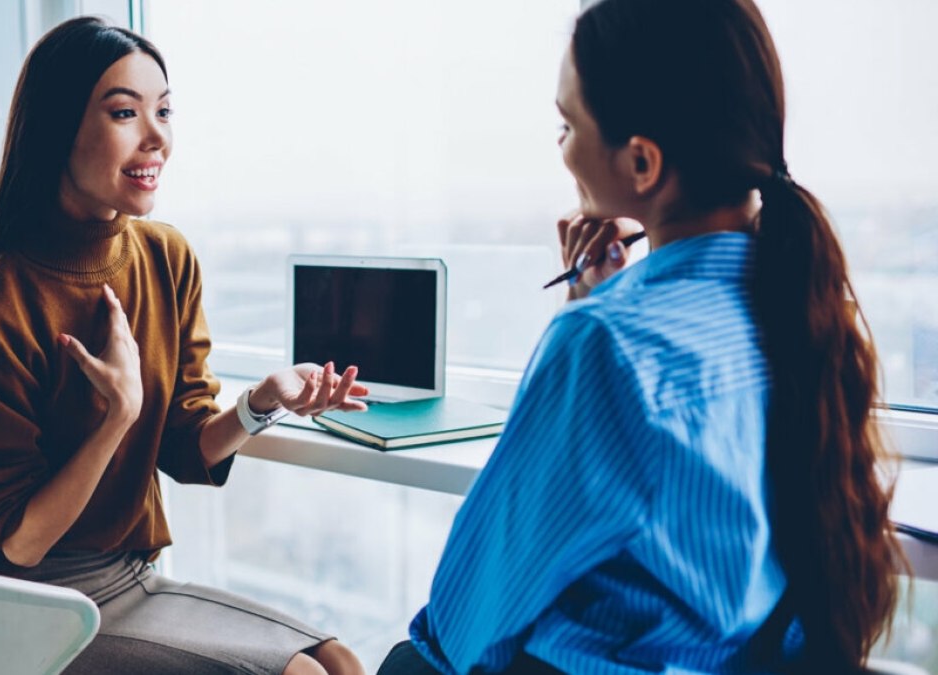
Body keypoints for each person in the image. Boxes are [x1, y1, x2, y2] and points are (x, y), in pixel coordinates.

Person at [378, 0, 903, 673]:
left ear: (643, 162)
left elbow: (463, 618)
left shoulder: (607, 346)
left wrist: (587, 315)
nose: (561, 148)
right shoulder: (802, 304)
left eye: (567, 125)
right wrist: (597, 296)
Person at [0, 16, 367, 675]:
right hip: (27, 603)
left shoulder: (165, 257)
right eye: (125, 112)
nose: (157, 136)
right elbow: (20, 544)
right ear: (58, 129)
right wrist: (116, 419)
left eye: (163, 110)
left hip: (132, 578)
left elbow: (186, 446)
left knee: (342, 661)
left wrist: (260, 403)